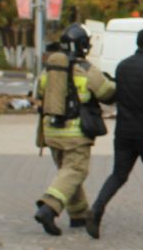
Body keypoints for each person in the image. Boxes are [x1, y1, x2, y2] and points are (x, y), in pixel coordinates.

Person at [33, 24, 116, 236]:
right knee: (76, 170)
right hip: (75, 133)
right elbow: (106, 92)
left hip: (51, 132)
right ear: (82, 45)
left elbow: (39, 92)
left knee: (68, 173)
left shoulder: (50, 69)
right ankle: (48, 208)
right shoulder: (85, 69)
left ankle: (79, 216)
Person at [88, 26, 143, 238]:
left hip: (124, 131)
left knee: (118, 174)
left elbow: (118, 96)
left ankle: (97, 208)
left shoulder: (122, 66)